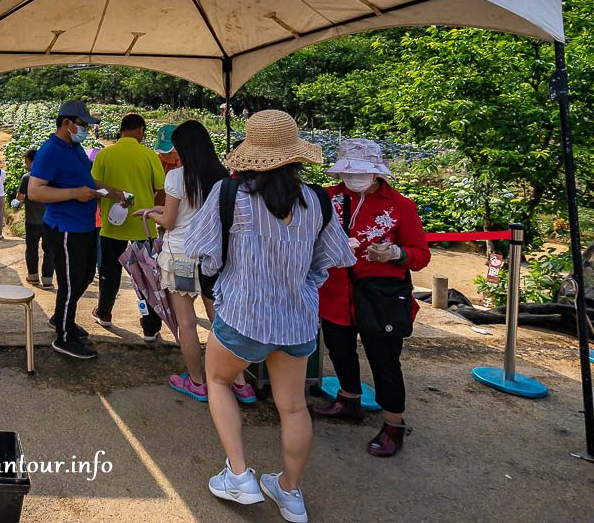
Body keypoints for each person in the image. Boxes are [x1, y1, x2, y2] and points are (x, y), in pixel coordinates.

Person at [184, 110, 354, 523]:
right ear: (296, 155)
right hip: (297, 320)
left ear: (251, 154)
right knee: (293, 407)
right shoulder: (316, 200)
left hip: (243, 315)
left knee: (220, 380)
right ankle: (290, 494)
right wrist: (301, 282)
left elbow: (201, 251)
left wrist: (224, 276)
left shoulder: (230, 195)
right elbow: (331, 258)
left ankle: (239, 476)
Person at [313, 138, 430, 458]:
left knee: (385, 362)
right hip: (335, 292)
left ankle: (394, 425)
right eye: (348, 173)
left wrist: (396, 253)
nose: (353, 178)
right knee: (338, 348)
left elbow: (420, 256)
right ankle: (349, 400)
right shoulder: (327, 197)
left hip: (380, 297)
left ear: (378, 173)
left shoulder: (401, 206)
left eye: (361, 172)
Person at [135, 121, 253, 402]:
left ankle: (198, 382)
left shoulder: (177, 177)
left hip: (180, 257)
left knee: (186, 323)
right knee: (220, 320)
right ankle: (238, 381)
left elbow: (171, 221)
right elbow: (198, 212)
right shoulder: (220, 176)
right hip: (212, 257)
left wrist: (150, 214)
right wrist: (161, 209)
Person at [28, 100, 126, 359]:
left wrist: (110, 192)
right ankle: (63, 336)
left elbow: (85, 180)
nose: (86, 130)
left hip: (84, 227)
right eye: (83, 125)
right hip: (65, 228)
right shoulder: (50, 151)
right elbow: (35, 191)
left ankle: (62, 319)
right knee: (70, 283)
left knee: (82, 278)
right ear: (67, 123)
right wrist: (74, 193)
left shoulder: (75, 147)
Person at [90, 113, 166, 340]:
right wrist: (150, 209)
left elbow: (94, 186)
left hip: (112, 226)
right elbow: (162, 190)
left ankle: (104, 314)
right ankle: (150, 327)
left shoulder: (105, 154)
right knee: (147, 276)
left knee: (109, 273)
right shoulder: (149, 155)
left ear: (121, 130)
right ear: (140, 130)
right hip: (143, 226)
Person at [15, 148, 53, 288]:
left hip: (32, 220)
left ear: (33, 162)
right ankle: (48, 280)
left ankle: (33, 277)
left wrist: (25, 198)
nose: (26, 165)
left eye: (26, 162)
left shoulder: (27, 177)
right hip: (49, 220)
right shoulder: (51, 176)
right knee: (49, 250)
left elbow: (19, 197)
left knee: (32, 248)